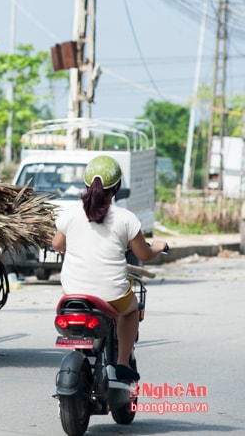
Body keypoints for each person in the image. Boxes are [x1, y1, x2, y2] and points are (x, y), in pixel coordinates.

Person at [51, 155, 167, 381]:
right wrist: (158, 247)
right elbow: (144, 254)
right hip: (112, 296)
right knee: (132, 310)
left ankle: (81, 350)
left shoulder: (70, 215)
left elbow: (57, 245)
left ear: (86, 184)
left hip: (74, 295)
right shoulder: (126, 219)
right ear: (117, 187)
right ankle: (123, 362)